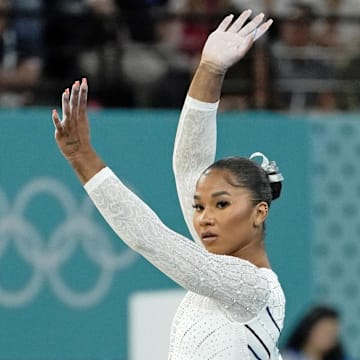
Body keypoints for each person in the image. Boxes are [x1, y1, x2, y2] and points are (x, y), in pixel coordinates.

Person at [52, 9, 286, 359]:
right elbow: (189, 163)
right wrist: (209, 70)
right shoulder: (217, 277)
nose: (204, 218)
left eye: (221, 204)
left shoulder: (252, 287)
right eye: (200, 206)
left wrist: (84, 159)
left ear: (259, 212)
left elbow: (153, 240)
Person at [282, 305, 351, 360]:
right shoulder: (287, 357)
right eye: (325, 332)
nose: (329, 337)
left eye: (333, 333)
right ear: (308, 330)